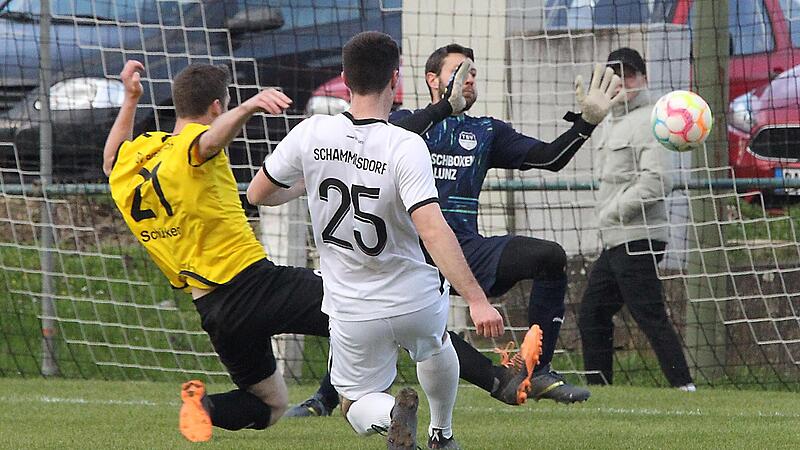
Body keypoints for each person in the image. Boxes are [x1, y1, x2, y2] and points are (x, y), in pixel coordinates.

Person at [289, 43, 623, 416]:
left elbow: (550, 159)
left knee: (549, 257)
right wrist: (443, 108)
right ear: (432, 79)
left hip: (463, 248)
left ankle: (537, 371)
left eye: (474, 72)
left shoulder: (486, 131)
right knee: (366, 310)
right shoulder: (400, 125)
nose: (469, 79)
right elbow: (380, 139)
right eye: (459, 71)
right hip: (407, 250)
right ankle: (324, 398)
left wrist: (586, 123)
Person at [247, 31, 514, 450]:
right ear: (395, 79)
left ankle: (391, 415)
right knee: (436, 345)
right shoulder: (406, 144)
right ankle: (442, 433)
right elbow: (432, 228)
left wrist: (309, 182)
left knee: (353, 404)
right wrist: (477, 300)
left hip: (352, 306)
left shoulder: (311, 132)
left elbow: (258, 193)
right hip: (413, 296)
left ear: (344, 78)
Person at [103, 60, 331, 443]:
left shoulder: (145, 152)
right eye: (226, 103)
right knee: (362, 309)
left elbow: (110, 160)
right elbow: (208, 143)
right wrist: (249, 106)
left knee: (271, 404)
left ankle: (203, 407)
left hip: (213, 308)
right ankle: (368, 405)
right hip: (253, 284)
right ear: (216, 106)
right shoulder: (192, 148)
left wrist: (130, 100)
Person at [577, 47, 695, 392]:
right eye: (616, 76)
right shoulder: (610, 120)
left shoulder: (652, 119)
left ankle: (684, 385)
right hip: (618, 237)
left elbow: (658, 181)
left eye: (630, 75)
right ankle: (600, 389)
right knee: (594, 313)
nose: (623, 82)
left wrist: (611, 212)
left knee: (648, 314)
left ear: (644, 78)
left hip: (638, 234)